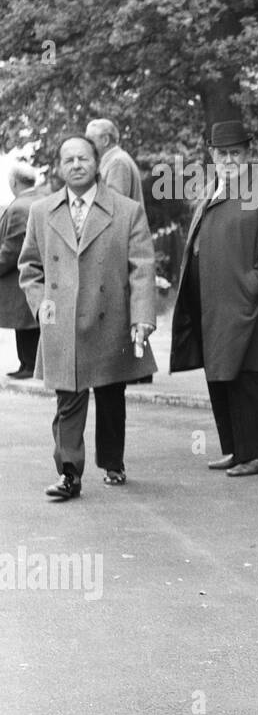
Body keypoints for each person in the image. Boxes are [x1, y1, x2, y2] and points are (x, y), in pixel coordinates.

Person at [17, 135, 157, 499]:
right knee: (68, 400)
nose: (76, 165)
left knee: (111, 396)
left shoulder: (126, 211)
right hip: (61, 323)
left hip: (110, 320)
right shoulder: (42, 212)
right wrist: (41, 306)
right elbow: (29, 268)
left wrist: (142, 317)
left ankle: (113, 463)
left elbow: (142, 268)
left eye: (83, 158)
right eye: (68, 160)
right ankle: (68, 474)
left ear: (96, 163)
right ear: (60, 168)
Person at [169, 120, 258, 478]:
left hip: (249, 309)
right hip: (213, 308)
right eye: (222, 153)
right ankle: (236, 450)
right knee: (221, 378)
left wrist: (251, 290)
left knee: (248, 379)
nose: (228, 159)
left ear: (248, 153)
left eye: (235, 153)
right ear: (211, 155)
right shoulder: (212, 190)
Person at [1, 162, 42, 378]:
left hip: (19, 274)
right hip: (39, 271)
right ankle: (28, 364)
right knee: (31, 320)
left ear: (13, 182)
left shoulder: (19, 206)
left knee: (23, 320)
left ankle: (28, 365)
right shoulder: (41, 199)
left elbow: (12, 248)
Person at [85, 118, 146, 205]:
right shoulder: (113, 160)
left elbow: (113, 206)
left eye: (90, 141)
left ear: (105, 140)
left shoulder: (117, 162)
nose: (87, 145)